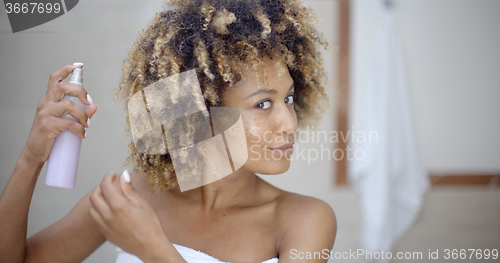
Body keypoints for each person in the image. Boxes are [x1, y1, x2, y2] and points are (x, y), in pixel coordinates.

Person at [0, 0, 337, 262]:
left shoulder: (303, 221)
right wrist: (31, 157)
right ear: (202, 114)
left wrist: (154, 250)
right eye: (263, 104)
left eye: (289, 98)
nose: (289, 123)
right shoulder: (133, 196)